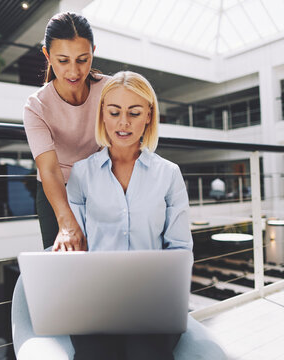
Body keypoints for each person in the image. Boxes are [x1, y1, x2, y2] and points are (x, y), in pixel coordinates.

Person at [62, 71, 193, 359]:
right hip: (96, 302)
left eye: (134, 113)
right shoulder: (81, 174)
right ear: (103, 116)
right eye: (114, 112)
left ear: (148, 115)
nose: (123, 123)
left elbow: (181, 248)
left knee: (146, 354)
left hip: (154, 302)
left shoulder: (169, 174)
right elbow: (75, 247)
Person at [23, 12, 109, 250]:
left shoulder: (110, 90)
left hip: (100, 185)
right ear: (47, 55)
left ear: (93, 51)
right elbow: (48, 170)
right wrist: (67, 223)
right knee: (63, 265)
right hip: (55, 189)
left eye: (83, 59)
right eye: (63, 61)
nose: (74, 72)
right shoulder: (36, 106)